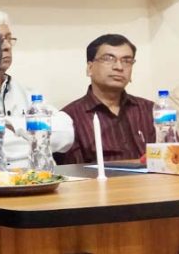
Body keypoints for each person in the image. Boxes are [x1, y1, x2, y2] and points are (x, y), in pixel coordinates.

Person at [0, 9, 74, 169]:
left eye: (8, 39)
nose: (6, 47)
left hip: (39, 179)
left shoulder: (28, 94)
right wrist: (36, 134)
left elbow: (66, 134)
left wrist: (12, 124)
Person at [59, 34, 155, 164]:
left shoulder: (149, 110)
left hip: (151, 183)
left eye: (127, 61)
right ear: (90, 68)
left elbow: (172, 159)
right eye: (109, 59)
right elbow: (73, 174)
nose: (119, 67)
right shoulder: (70, 118)